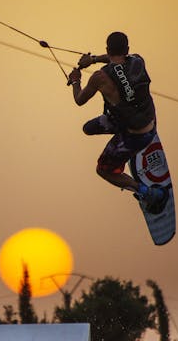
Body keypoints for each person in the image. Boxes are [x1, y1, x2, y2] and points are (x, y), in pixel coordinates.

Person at [67, 31, 166, 212]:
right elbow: (116, 61)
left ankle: (149, 194)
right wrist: (93, 60)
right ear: (127, 49)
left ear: (107, 49)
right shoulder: (137, 60)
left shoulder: (99, 78)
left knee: (103, 170)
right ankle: (133, 137)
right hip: (149, 118)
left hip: (135, 135)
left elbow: (79, 100)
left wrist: (75, 81)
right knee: (88, 128)